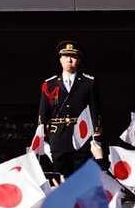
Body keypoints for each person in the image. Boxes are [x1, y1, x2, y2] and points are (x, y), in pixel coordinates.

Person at [37, 41, 101, 176]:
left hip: (81, 135)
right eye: (66, 56)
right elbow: (43, 112)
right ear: (60, 59)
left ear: (78, 60)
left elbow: (95, 110)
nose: (69, 59)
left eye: (73, 56)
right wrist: (41, 134)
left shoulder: (88, 83)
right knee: (60, 175)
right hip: (57, 136)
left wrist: (96, 134)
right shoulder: (49, 84)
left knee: (80, 176)